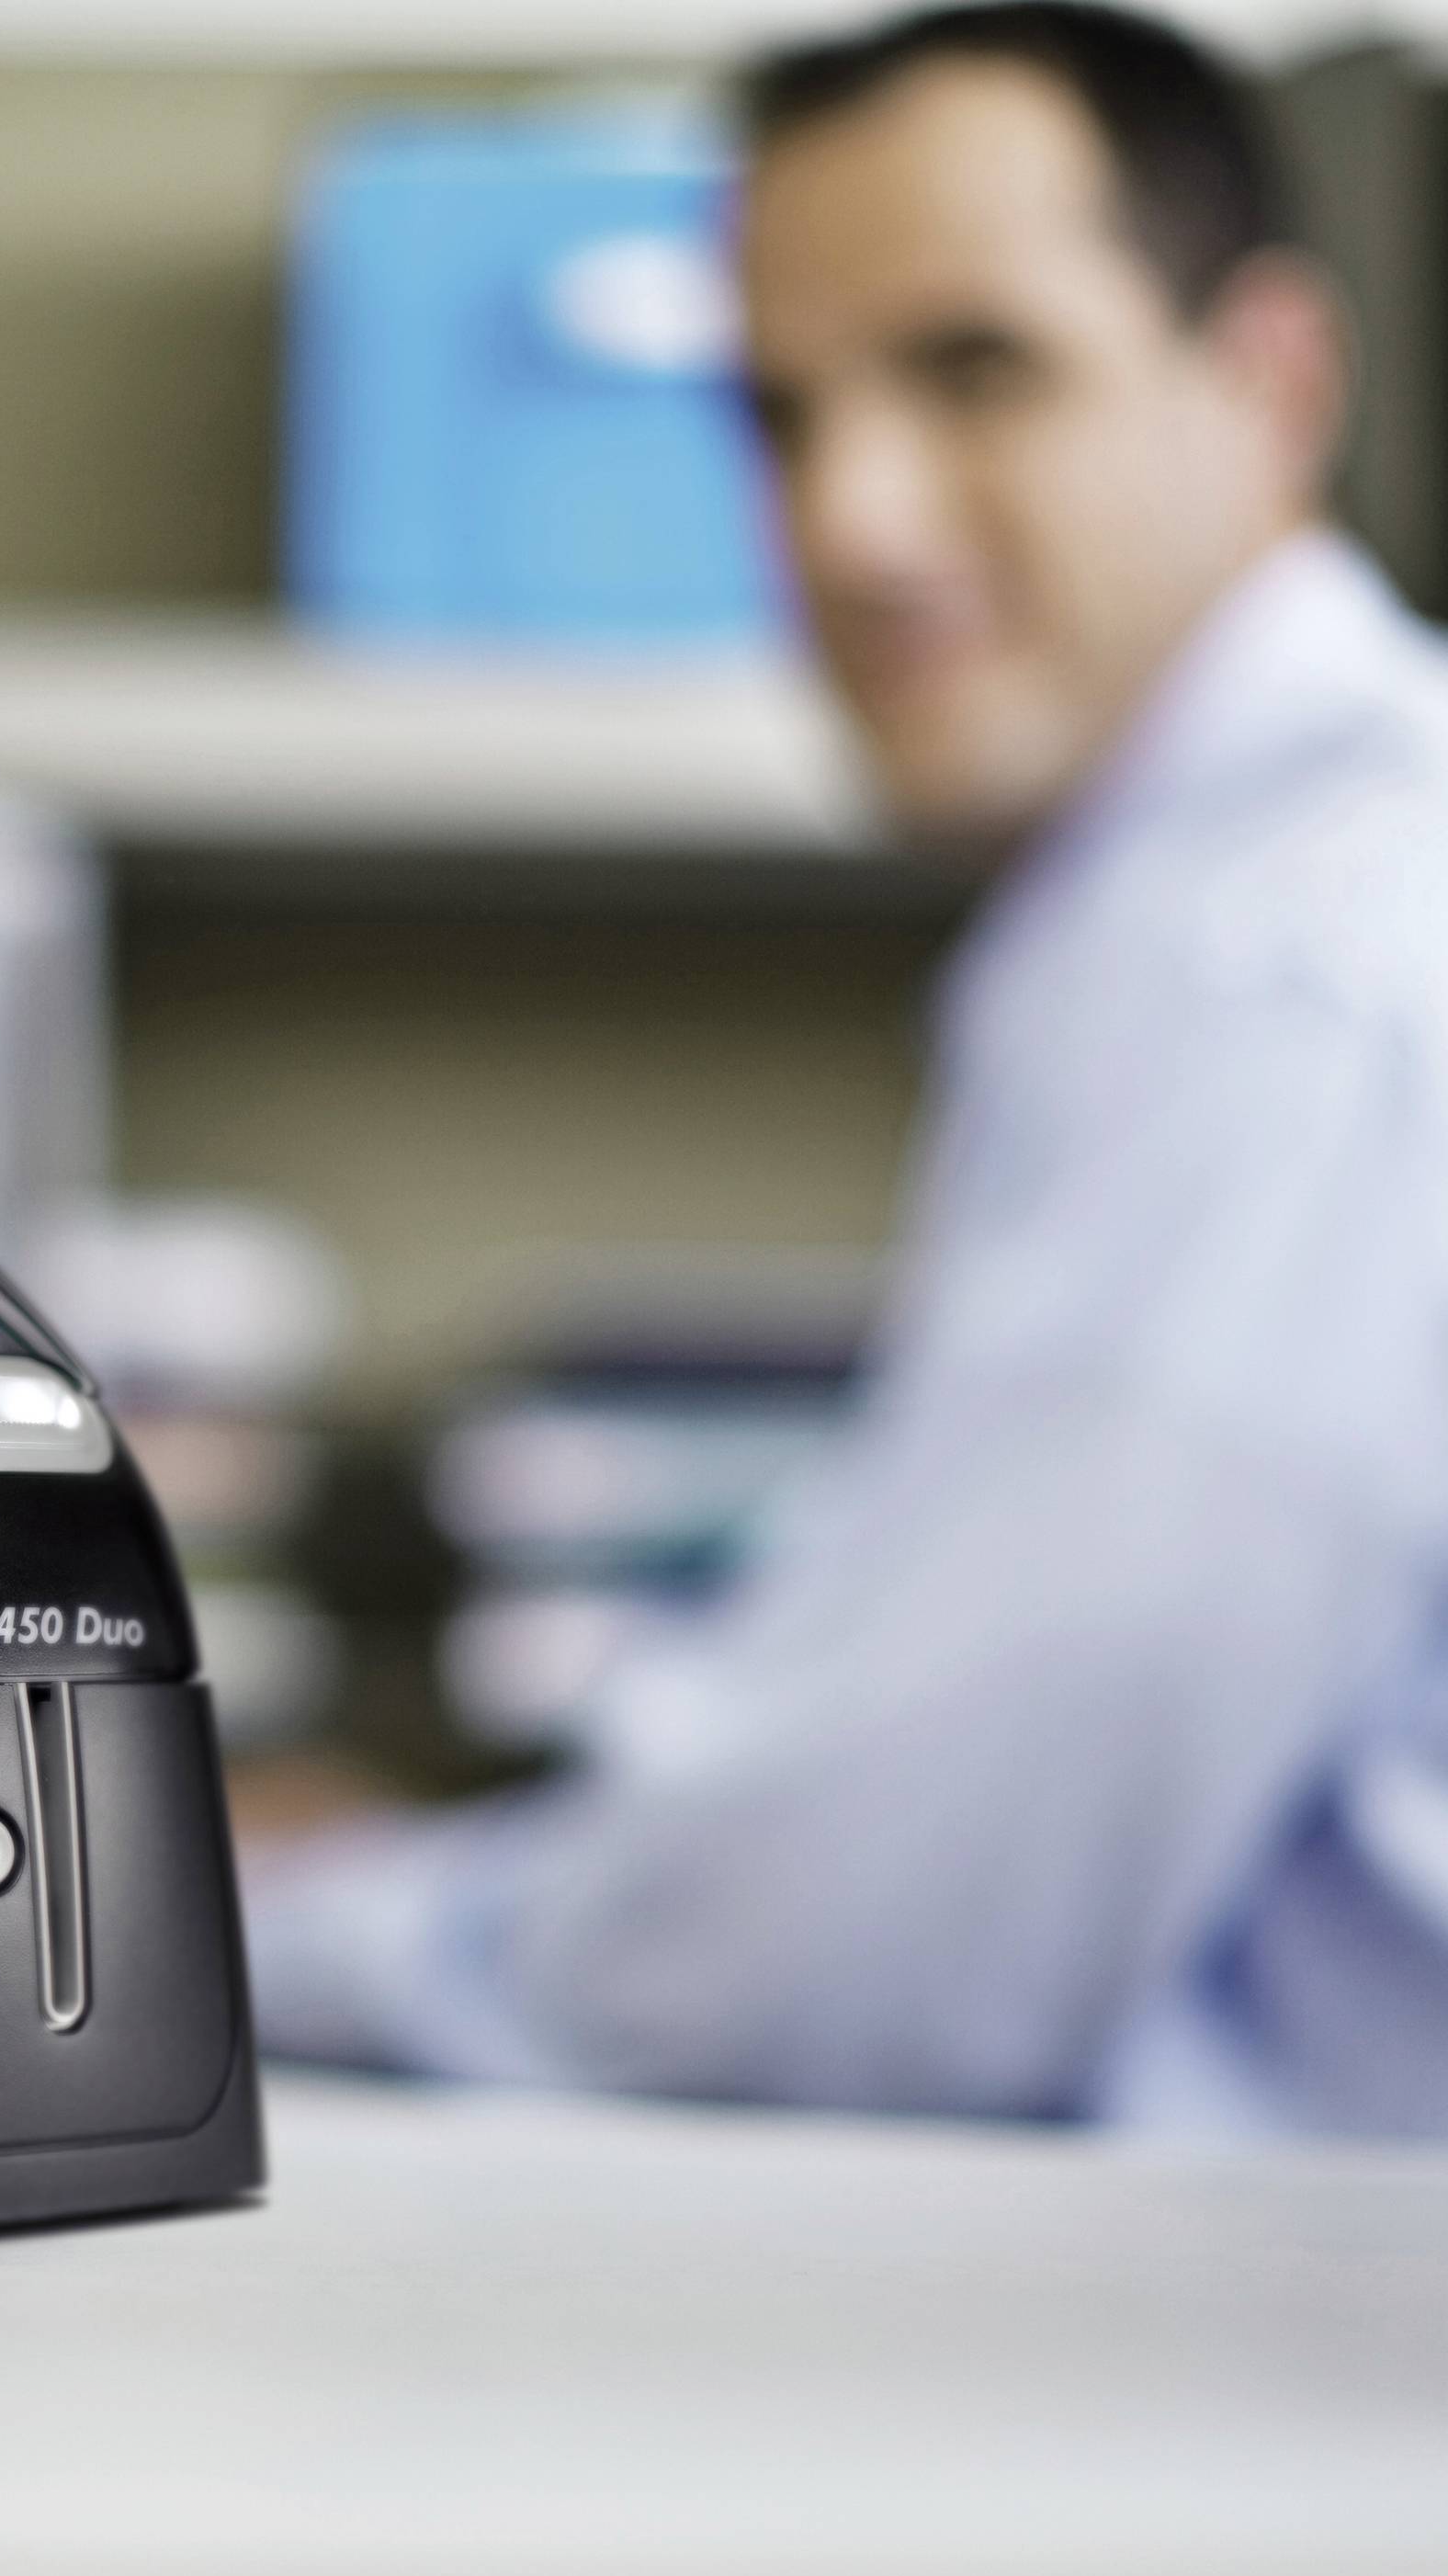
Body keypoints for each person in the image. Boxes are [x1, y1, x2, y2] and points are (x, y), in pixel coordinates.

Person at [247, 0, 1448, 2135]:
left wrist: (237, 1926)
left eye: (975, 371)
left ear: (1272, 384)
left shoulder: (1303, 960)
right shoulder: (1229, 900)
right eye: (782, 416)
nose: (854, 523)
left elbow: (856, 1959)